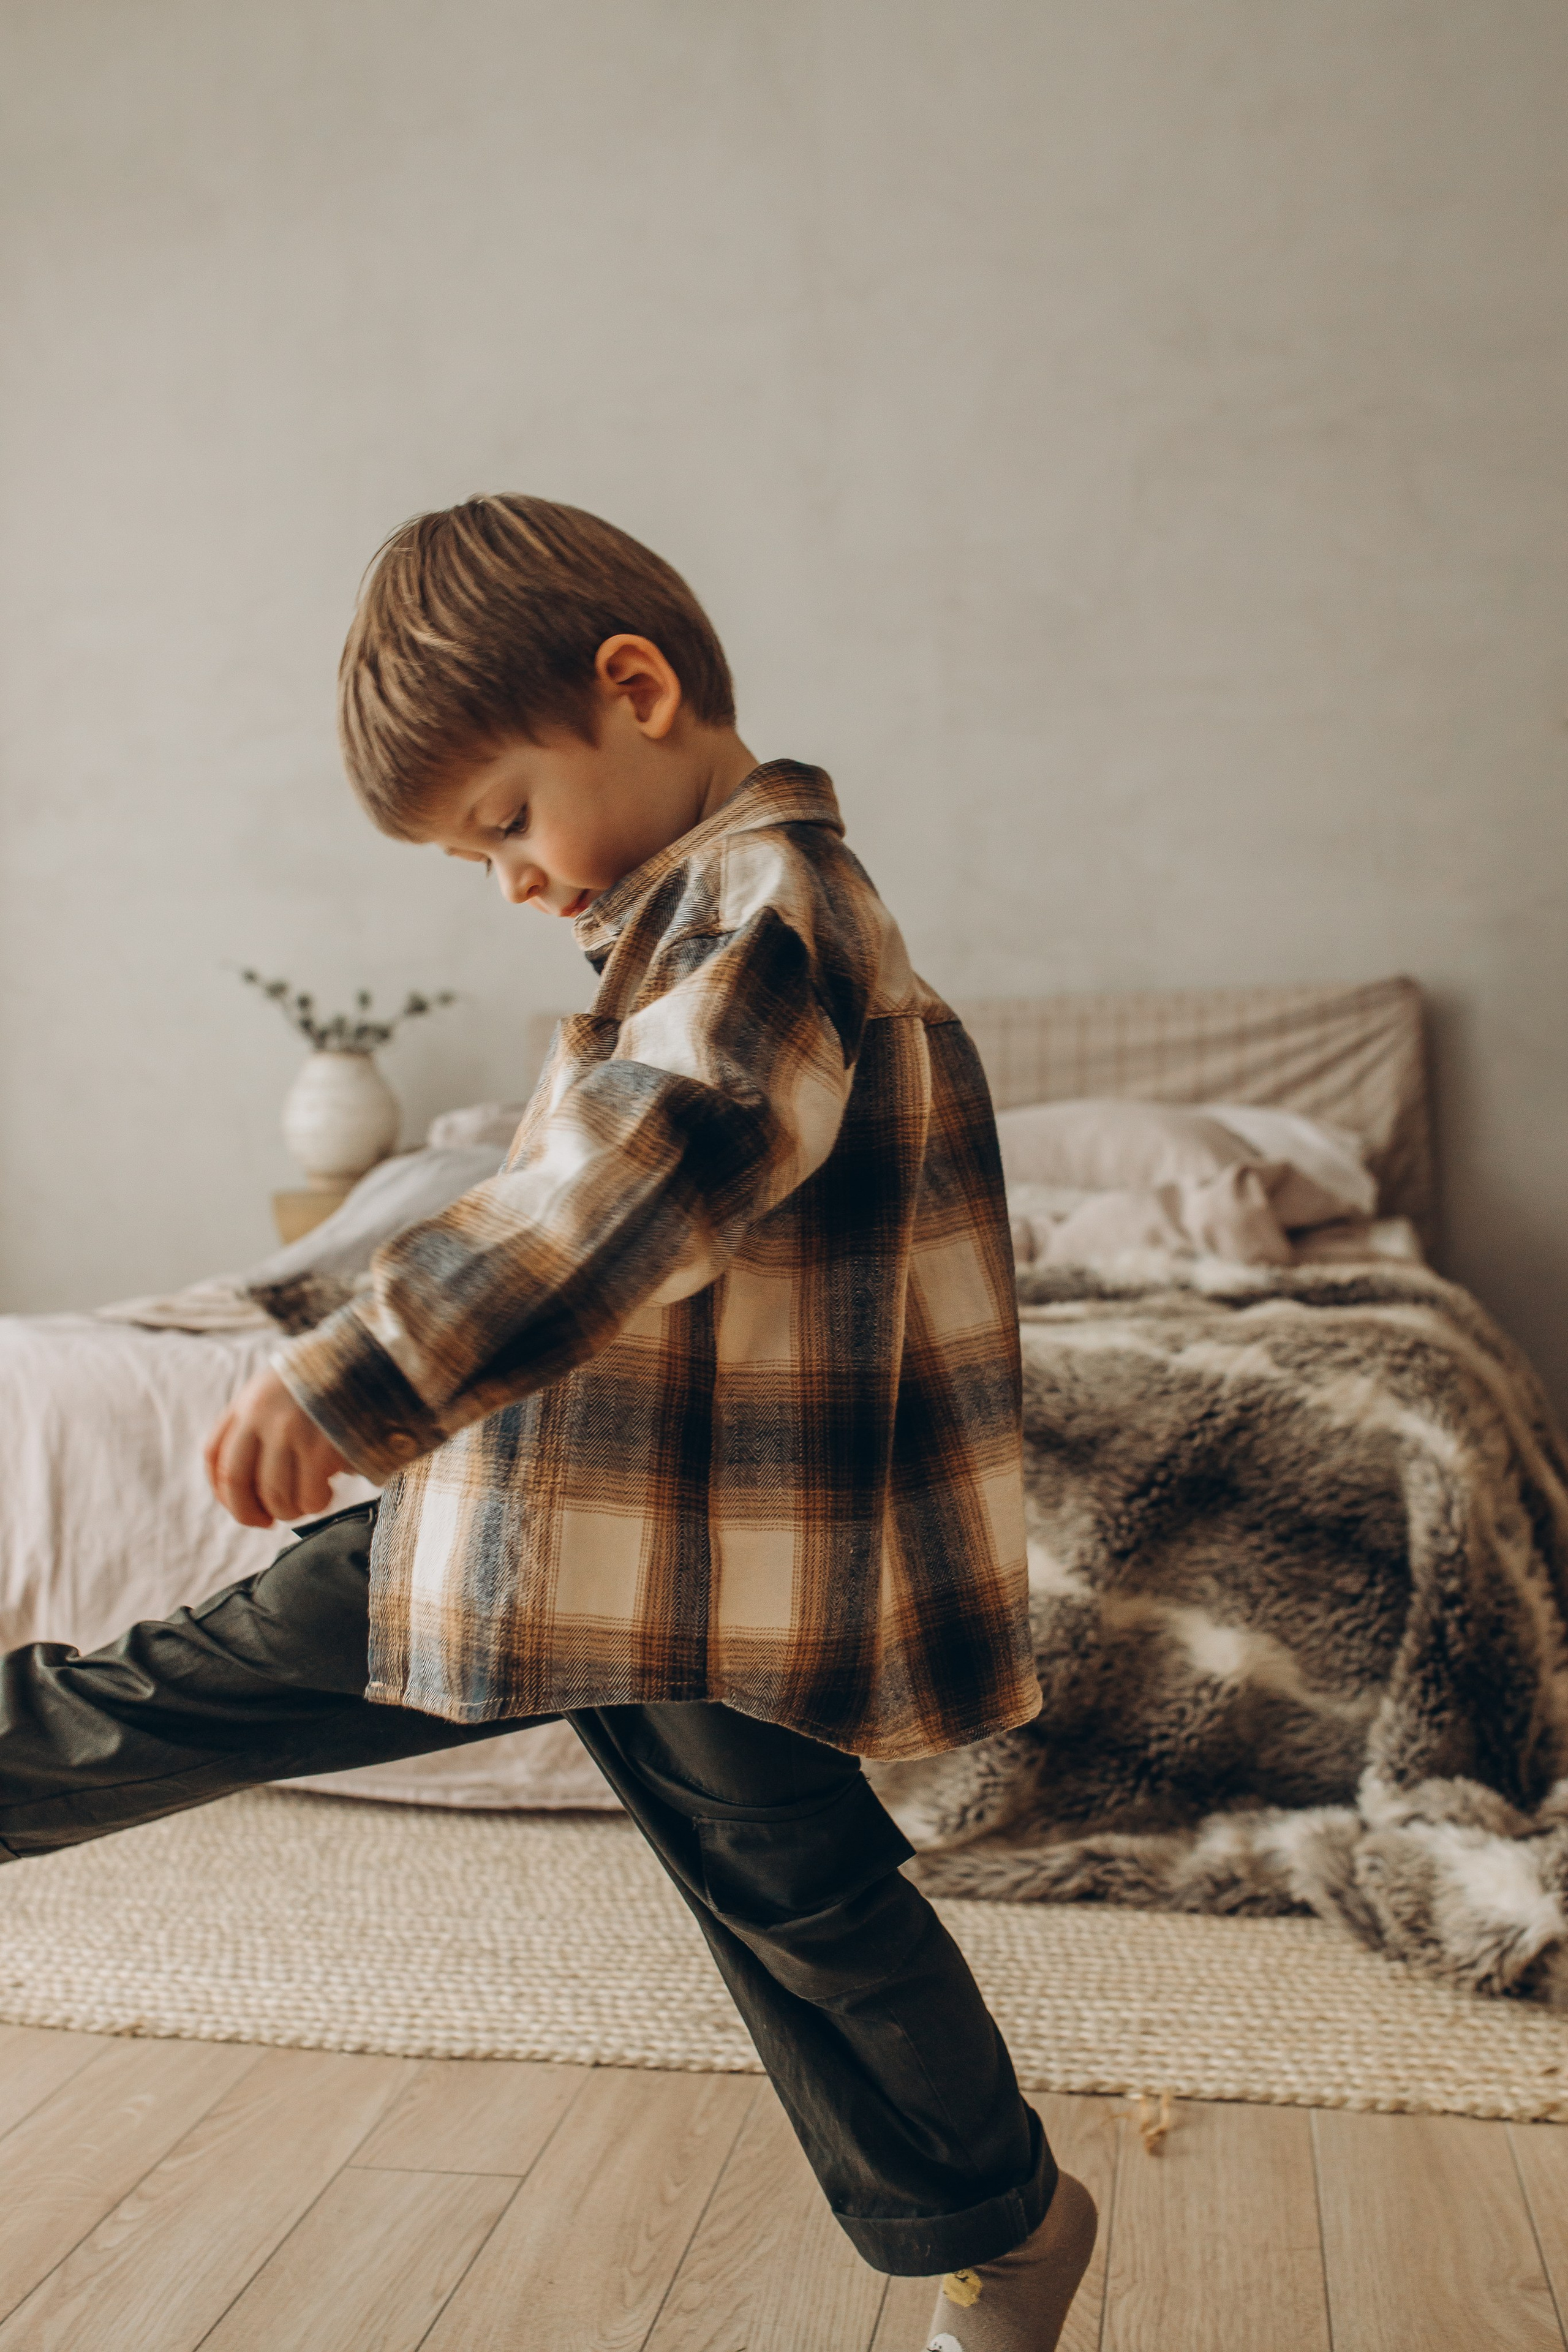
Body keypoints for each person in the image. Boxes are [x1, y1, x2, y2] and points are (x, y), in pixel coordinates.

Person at [0, 496, 1096, 2352]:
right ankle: (1000, 2218)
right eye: (468, 859)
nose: (507, 878)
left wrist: (358, 1363)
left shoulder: (770, 926)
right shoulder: (691, 924)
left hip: (677, 1553)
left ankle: (997, 2220)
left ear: (638, 691)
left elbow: (626, 1189)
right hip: (570, 1524)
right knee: (195, 1683)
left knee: (806, 1895)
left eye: (506, 820)